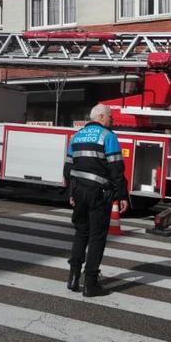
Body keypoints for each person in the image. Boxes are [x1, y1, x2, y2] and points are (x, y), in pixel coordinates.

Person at [64, 104, 128, 297]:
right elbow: (116, 169)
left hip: (79, 192)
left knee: (81, 233)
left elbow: (67, 169)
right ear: (101, 117)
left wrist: (71, 194)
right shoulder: (108, 137)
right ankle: (90, 284)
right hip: (99, 193)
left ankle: (73, 278)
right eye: (111, 117)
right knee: (97, 236)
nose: (113, 121)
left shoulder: (76, 137)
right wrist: (122, 195)